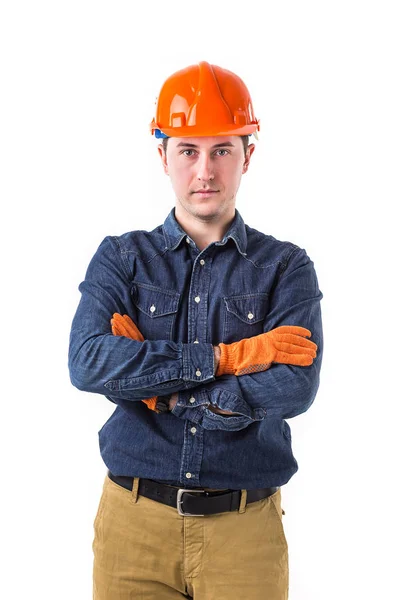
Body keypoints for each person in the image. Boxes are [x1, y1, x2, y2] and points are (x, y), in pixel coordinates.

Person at [68, 60, 324, 600]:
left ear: (247, 155)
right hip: (132, 528)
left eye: (221, 151)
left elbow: (294, 387)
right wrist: (232, 358)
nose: (203, 171)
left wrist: (159, 392)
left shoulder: (287, 267)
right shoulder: (122, 259)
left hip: (244, 531)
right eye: (188, 151)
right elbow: (89, 361)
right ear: (162, 155)